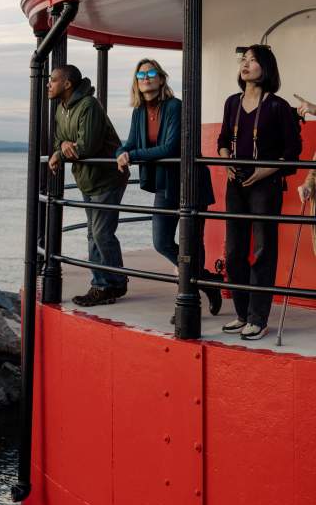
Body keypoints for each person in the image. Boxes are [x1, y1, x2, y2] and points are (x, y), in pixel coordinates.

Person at [115, 58, 221, 318]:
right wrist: (121, 152)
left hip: (189, 183)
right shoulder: (138, 112)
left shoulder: (175, 107)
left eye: (151, 73)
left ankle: (188, 297)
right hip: (164, 185)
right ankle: (206, 281)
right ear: (136, 83)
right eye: (141, 75)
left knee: (192, 244)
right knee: (161, 242)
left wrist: (134, 155)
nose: (146, 78)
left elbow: (170, 148)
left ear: (161, 79)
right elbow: (128, 143)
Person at [217, 45, 302, 340]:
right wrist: (226, 160)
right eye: (244, 59)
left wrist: (264, 171)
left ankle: (258, 318)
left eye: (253, 60)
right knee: (233, 252)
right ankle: (242, 314)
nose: (246, 64)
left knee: (263, 250)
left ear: (266, 68)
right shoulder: (231, 103)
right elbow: (223, 140)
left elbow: (292, 152)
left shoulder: (277, 106)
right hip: (235, 185)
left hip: (265, 186)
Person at [48, 64, 129, 306]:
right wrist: (62, 147)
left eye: (53, 80)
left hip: (107, 178)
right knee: (93, 235)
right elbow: (58, 140)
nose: (48, 84)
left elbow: (88, 145)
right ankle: (110, 283)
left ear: (67, 83)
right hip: (87, 179)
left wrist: (61, 154)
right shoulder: (60, 109)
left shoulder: (89, 106)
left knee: (100, 233)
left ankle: (107, 285)